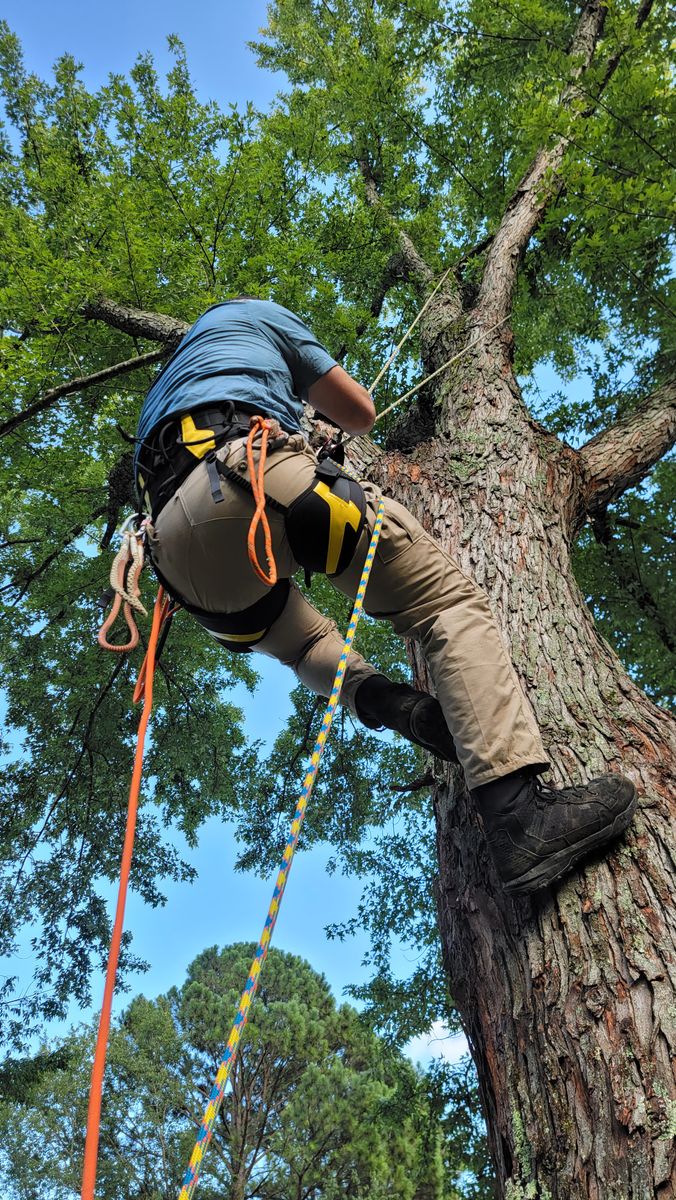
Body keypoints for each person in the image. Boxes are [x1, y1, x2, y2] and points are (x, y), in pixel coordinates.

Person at [134, 297, 637, 896]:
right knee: (443, 606)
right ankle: (518, 815)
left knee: (303, 649)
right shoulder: (259, 315)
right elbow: (360, 411)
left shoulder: (170, 383)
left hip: (174, 553)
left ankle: (392, 703)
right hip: (251, 471)